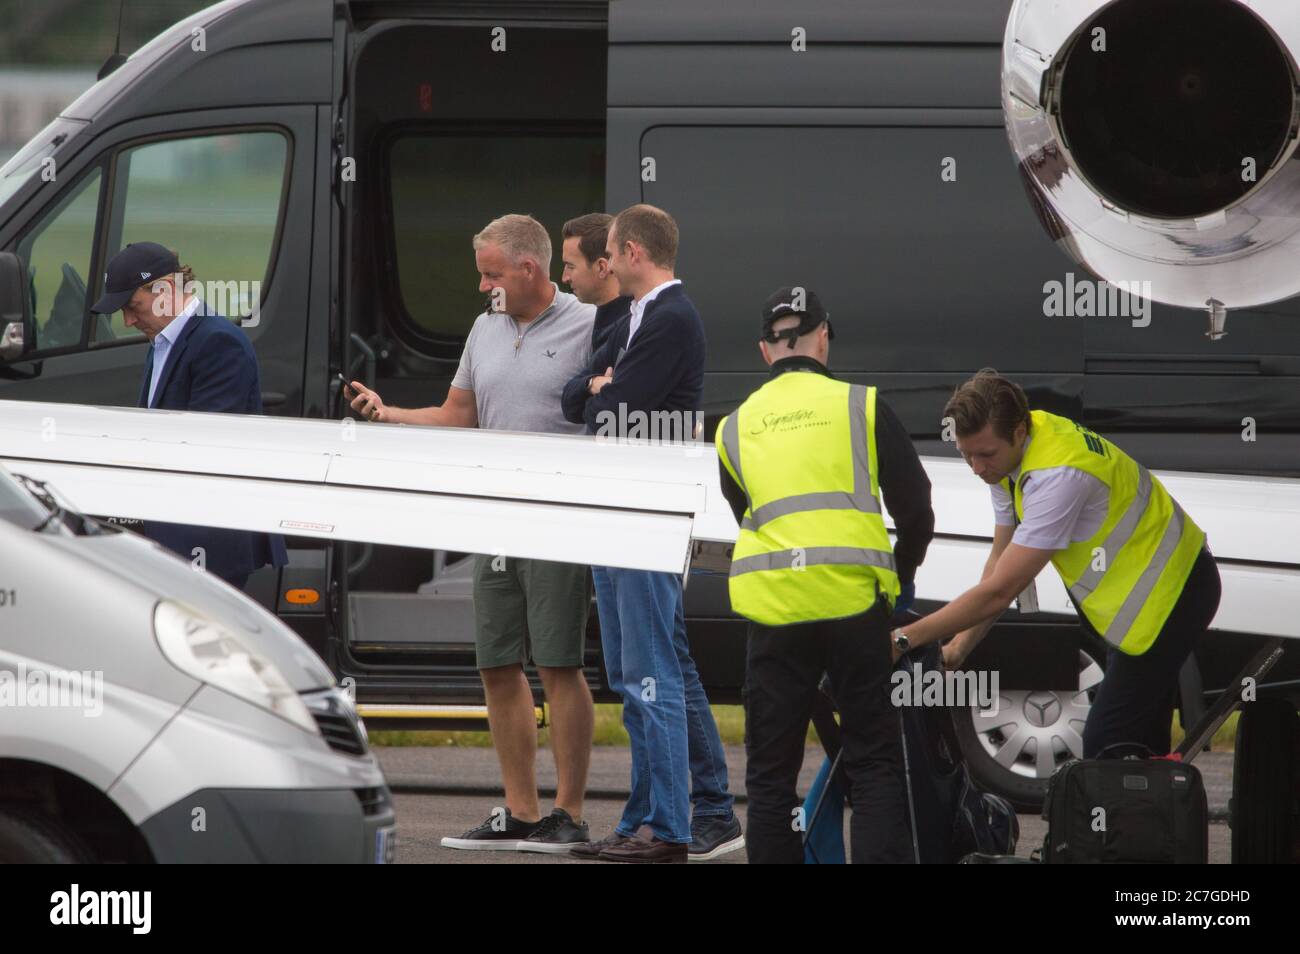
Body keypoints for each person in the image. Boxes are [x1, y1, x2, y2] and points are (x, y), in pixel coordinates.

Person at [346, 214, 599, 853]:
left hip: (559, 520)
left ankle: (568, 814)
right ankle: (519, 811)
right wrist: (388, 413)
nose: (482, 285)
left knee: (559, 662)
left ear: (529, 270)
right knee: (496, 664)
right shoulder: (484, 328)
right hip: (493, 517)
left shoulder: (589, 326)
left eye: (490, 274)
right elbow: (459, 414)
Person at [892, 370, 1221, 759]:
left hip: (1175, 594)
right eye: (966, 455)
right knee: (1138, 745)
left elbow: (999, 591)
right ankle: (1150, 813)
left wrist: (904, 639)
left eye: (985, 455)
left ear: (1017, 432)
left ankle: (1121, 815)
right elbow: (999, 562)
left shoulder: (1057, 476)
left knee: (1106, 741)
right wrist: (958, 649)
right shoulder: (1015, 455)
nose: (977, 468)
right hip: (1140, 605)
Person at [715, 286, 935, 864]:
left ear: (766, 351)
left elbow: (746, 513)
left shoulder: (734, 427)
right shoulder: (860, 405)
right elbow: (917, 508)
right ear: (823, 338)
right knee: (873, 761)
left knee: (770, 777)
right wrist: (900, 579)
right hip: (854, 605)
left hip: (774, 611)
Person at [561, 203, 740, 863]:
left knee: (649, 672)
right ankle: (647, 818)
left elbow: (613, 411)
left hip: (643, 517)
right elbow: (575, 396)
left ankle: (666, 829)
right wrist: (601, 388)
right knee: (637, 670)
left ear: (633, 252)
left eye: (610, 251)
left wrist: (603, 391)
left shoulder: (670, 319)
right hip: (619, 516)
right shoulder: (634, 317)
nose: (604, 263)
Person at [90, 242, 286, 591]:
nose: (128, 320)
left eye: (134, 306)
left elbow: (201, 448)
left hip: (207, 541)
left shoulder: (218, 343)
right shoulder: (165, 341)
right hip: (177, 537)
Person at [559, 213, 631, 351]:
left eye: (570, 266)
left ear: (602, 267)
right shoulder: (607, 321)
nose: (564, 278)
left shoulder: (633, 329)